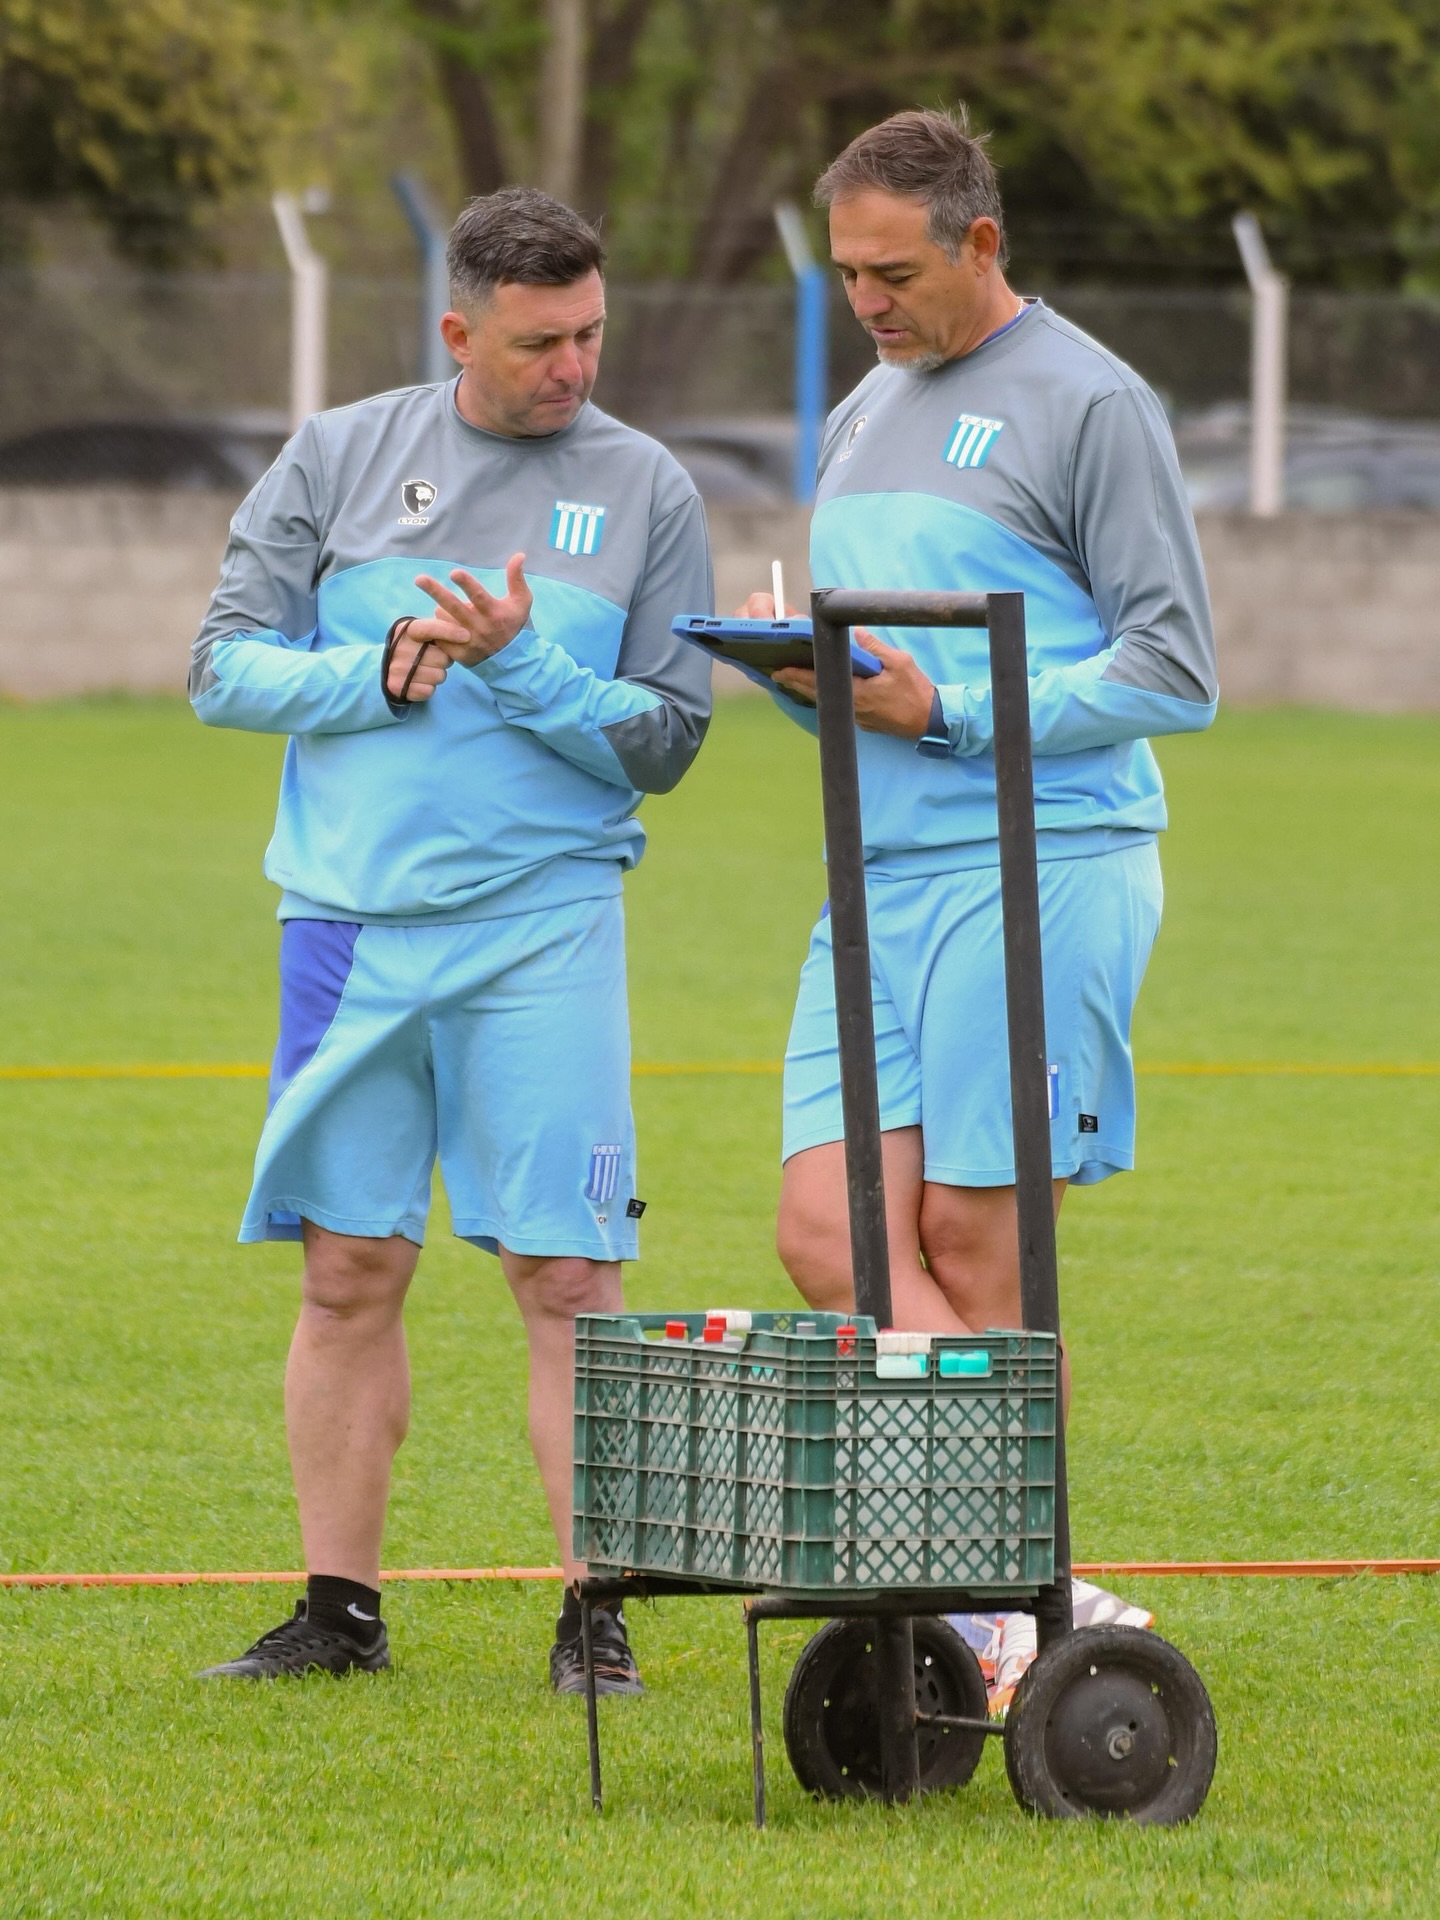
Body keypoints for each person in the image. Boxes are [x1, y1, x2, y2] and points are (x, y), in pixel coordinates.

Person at [189, 187, 713, 1694]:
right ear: (459, 329)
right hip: (348, 926)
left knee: (566, 1276)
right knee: (349, 1269)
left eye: (593, 334)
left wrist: (529, 664)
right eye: (543, 341)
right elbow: (222, 670)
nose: (575, 368)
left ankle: (593, 1611)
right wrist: (385, 676)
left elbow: (667, 741)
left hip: (543, 925)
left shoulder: (648, 487)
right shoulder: (338, 454)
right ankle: (338, 1613)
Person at [741, 107, 1217, 1669]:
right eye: (849, 274)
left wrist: (941, 710)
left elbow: (1174, 668)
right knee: (834, 1229)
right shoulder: (862, 408)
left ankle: (1021, 1596)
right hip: (870, 872)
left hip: (1043, 861)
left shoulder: (1094, 401)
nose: (869, 304)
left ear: (982, 243)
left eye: (893, 272)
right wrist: (809, 668)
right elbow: (892, 647)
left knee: (975, 1234)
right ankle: (1017, 1579)